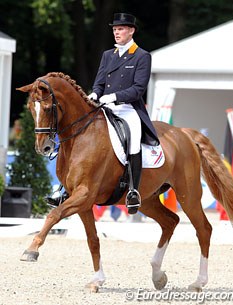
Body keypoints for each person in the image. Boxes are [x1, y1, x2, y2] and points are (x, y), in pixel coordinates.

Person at [46, 13, 159, 214]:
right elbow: (99, 82)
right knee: (80, 135)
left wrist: (113, 96)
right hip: (105, 106)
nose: (117, 33)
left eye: (121, 29)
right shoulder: (108, 55)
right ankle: (64, 188)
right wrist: (96, 93)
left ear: (131, 31)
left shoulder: (141, 56)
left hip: (128, 108)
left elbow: (138, 89)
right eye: (115, 29)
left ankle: (133, 190)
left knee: (132, 138)